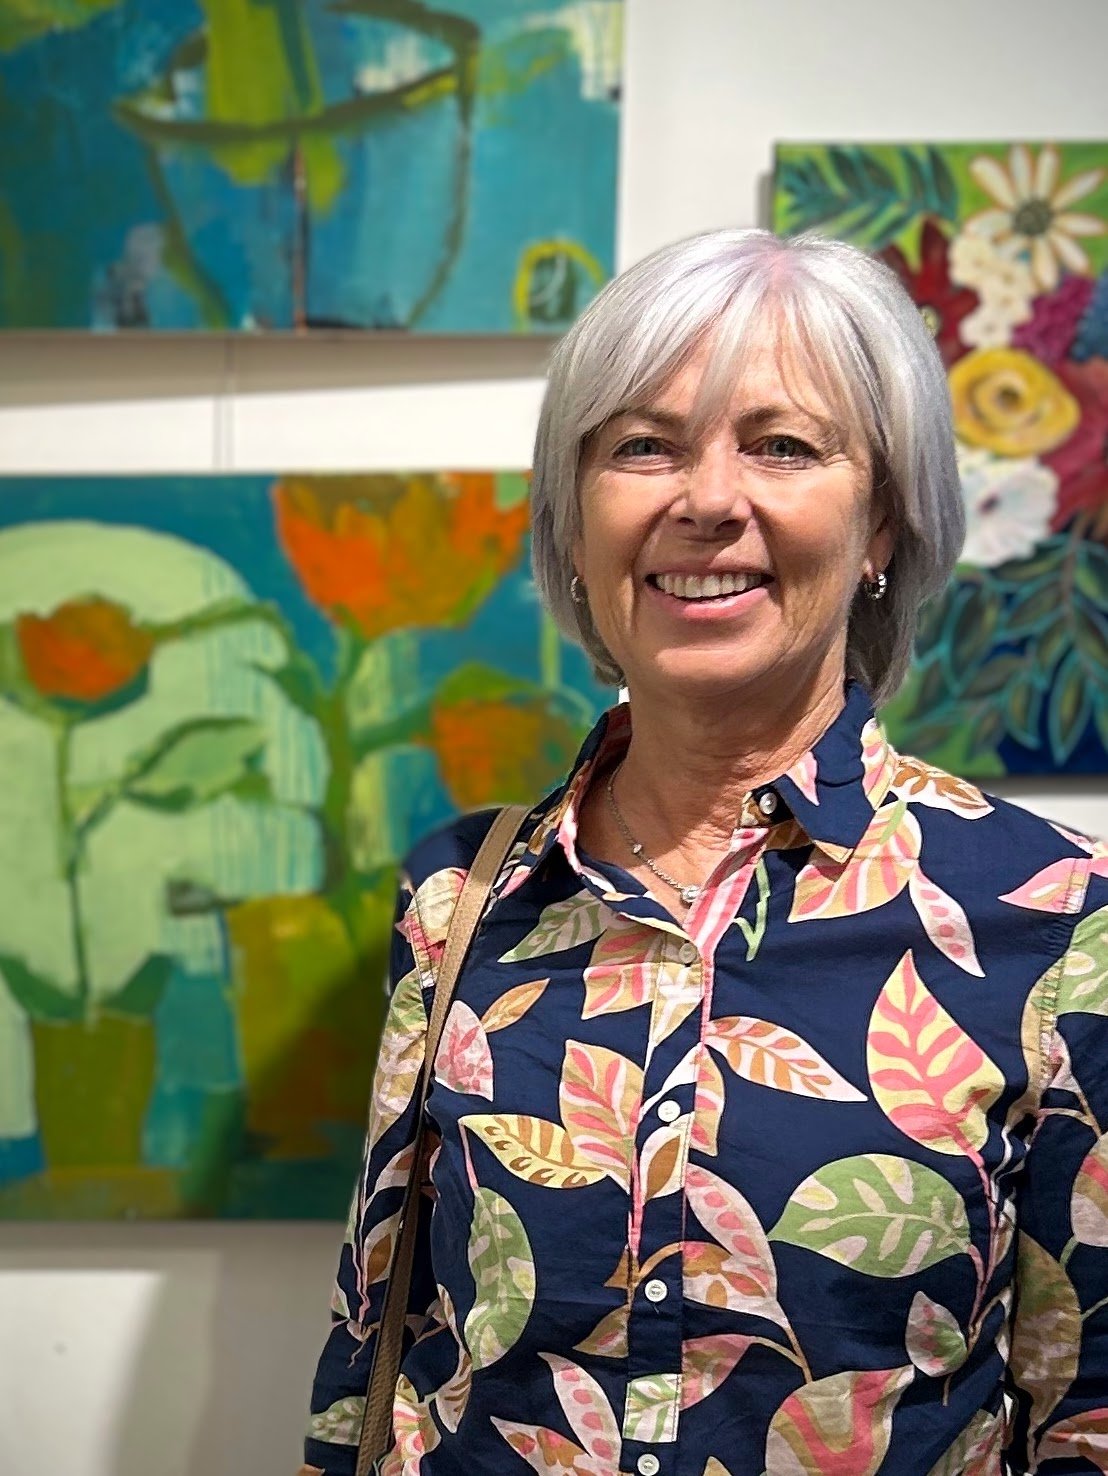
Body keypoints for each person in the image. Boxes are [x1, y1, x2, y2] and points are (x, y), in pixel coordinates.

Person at [300, 228, 1108, 1476]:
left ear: (884, 521)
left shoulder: (1051, 918)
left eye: (782, 444)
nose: (707, 499)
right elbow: (380, 1359)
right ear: (576, 524)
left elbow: (1085, 1416)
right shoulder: (461, 901)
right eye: (642, 446)